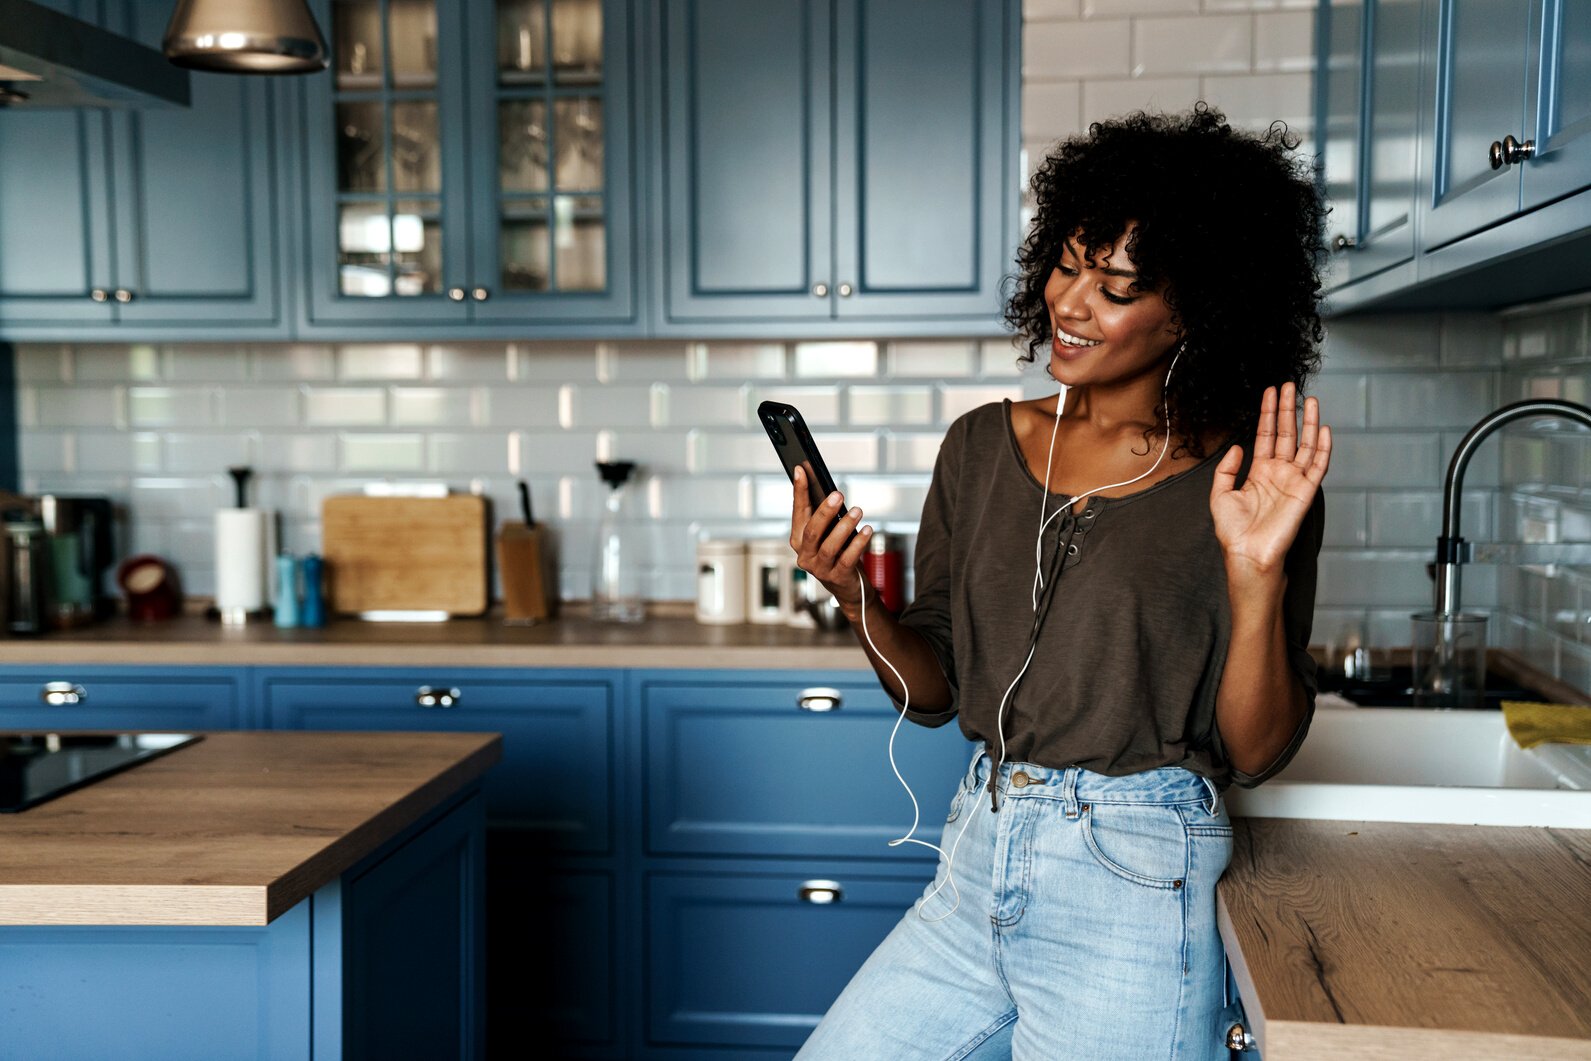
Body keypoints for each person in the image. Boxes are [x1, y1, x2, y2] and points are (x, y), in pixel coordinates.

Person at [787, 104, 1332, 1060]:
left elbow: (1255, 750)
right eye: (1068, 263)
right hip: (976, 850)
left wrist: (1254, 576)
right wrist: (852, 596)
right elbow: (932, 692)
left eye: (1116, 285)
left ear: (1193, 310)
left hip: (1133, 873)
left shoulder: (1253, 485)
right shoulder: (978, 448)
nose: (1070, 304)